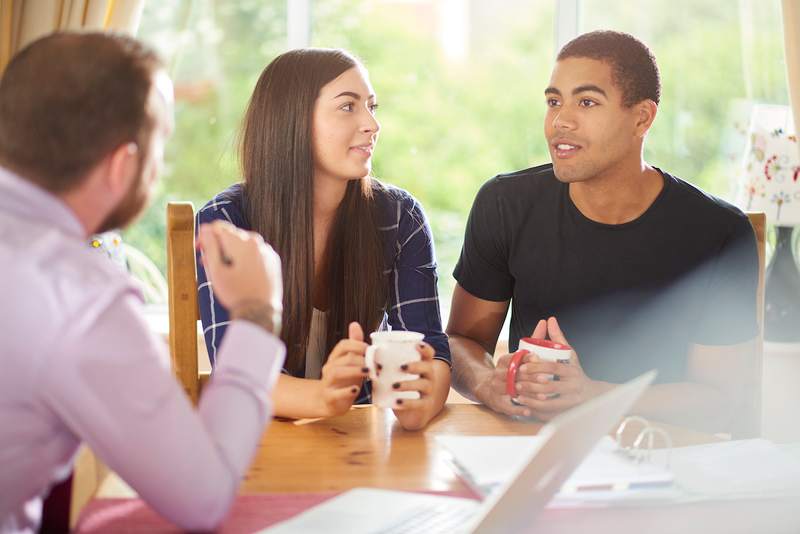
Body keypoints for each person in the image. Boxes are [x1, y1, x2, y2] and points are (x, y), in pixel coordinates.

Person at [0, 32, 285, 532]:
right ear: (123, 164)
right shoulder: (79, 297)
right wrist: (258, 314)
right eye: (161, 148)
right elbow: (202, 498)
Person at [447, 30, 758, 432]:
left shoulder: (720, 232)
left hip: (659, 456)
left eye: (587, 102)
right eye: (554, 101)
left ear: (642, 118)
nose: (560, 120)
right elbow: (459, 342)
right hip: (533, 452)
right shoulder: (504, 203)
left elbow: (722, 400)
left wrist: (591, 394)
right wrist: (489, 382)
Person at [196, 48, 451, 430]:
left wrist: (424, 399)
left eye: (372, 106)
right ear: (292, 122)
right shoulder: (227, 222)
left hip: (359, 440)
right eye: (348, 107)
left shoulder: (401, 217)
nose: (372, 124)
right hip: (261, 443)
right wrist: (323, 396)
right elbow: (239, 371)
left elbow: (432, 349)